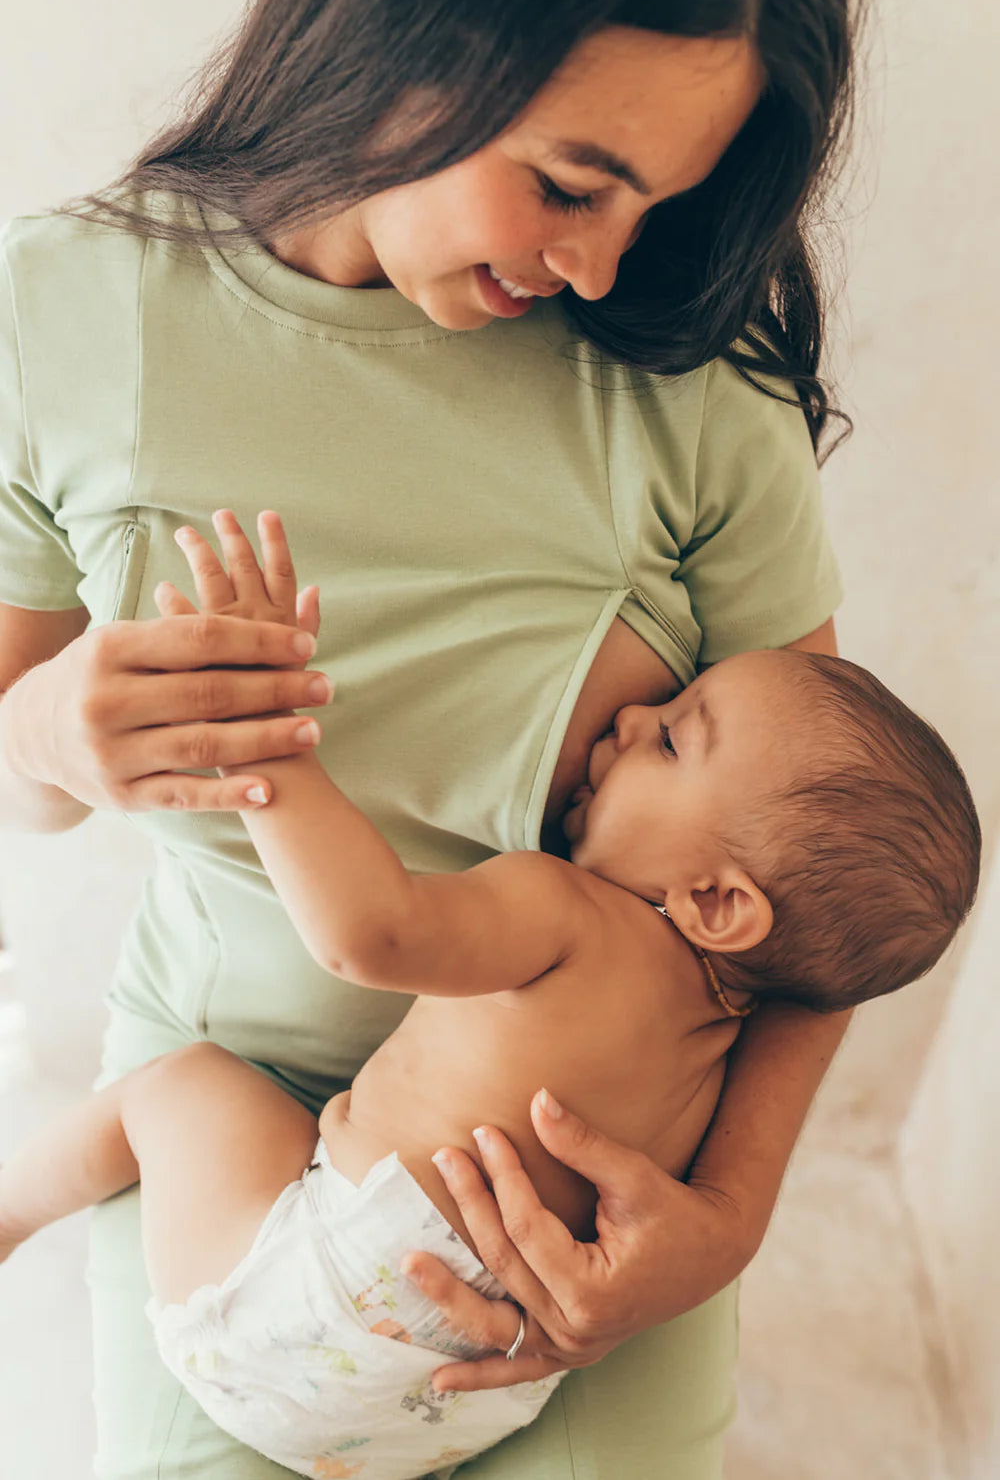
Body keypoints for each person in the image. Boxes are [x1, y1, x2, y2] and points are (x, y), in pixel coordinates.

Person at [0, 0, 865, 1476]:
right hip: (240, 1100)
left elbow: (814, 876)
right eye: (566, 185)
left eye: (657, 206)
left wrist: (721, 1226)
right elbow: (27, 783)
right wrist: (49, 736)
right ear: (402, 52)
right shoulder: (60, 314)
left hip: (585, 1183)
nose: (600, 265)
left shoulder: (684, 383)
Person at [0, 511, 979, 1480]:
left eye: (675, 742)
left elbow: (366, 933)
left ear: (718, 901)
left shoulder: (562, 909)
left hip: (308, 1315)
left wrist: (270, 752)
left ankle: (11, 1209)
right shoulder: (720, 1030)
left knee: (178, 1087)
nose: (635, 717)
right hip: (482, 1381)